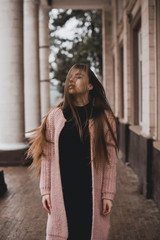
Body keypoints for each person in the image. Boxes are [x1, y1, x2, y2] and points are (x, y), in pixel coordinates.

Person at [26, 63, 119, 240]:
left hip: (90, 190)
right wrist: (45, 190)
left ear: (90, 85)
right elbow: (47, 156)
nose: (71, 80)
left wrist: (107, 193)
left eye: (78, 77)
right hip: (63, 189)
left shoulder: (104, 118)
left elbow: (110, 159)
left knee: (87, 233)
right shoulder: (56, 116)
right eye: (70, 77)